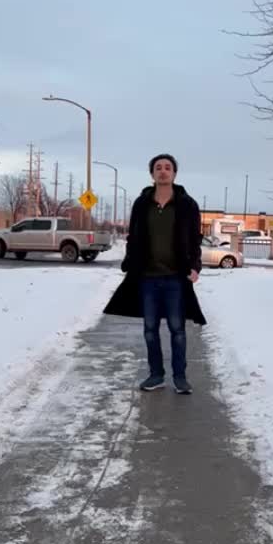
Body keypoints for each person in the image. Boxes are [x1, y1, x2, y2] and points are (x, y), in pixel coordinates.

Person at [104, 154, 206, 394]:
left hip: (176, 278)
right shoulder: (142, 204)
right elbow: (133, 236)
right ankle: (156, 375)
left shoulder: (187, 204)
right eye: (158, 167)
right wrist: (130, 261)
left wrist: (195, 266)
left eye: (167, 167)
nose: (163, 171)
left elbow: (195, 239)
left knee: (177, 329)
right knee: (150, 329)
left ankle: (180, 377)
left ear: (174, 173)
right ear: (152, 174)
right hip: (147, 278)